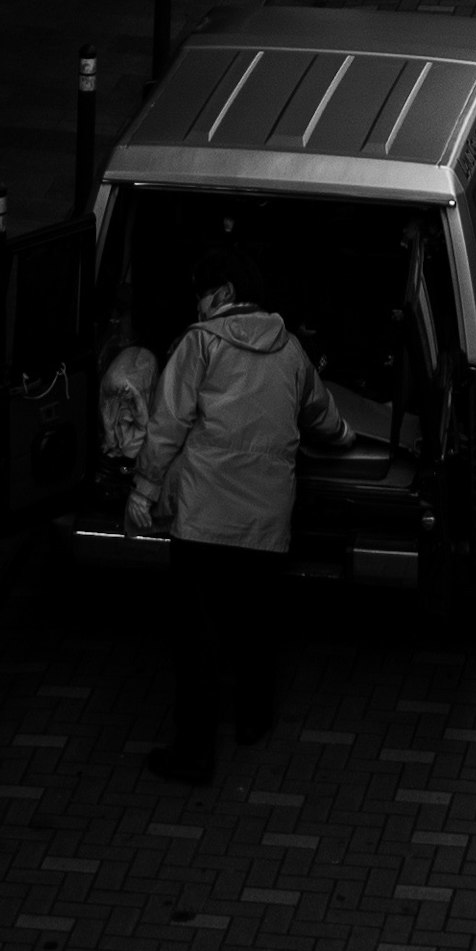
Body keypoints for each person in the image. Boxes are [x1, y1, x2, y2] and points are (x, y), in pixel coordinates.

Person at [128, 216, 345, 784]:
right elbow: (323, 416)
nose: (196, 304)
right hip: (265, 523)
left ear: (222, 294)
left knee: (196, 640)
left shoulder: (199, 345)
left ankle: (194, 754)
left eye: (201, 291)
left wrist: (144, 490)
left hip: (201, 521)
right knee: (254, 626)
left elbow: (166, 425)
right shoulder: (292, 351)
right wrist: (347, 437)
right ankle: (254, 718)